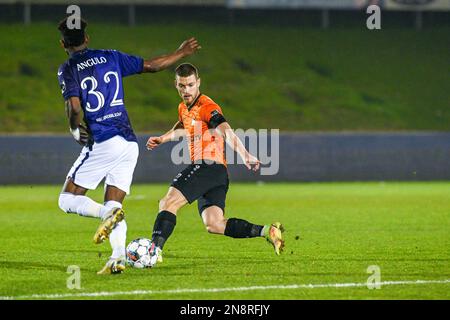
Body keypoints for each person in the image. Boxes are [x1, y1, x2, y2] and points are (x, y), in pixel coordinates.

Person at [56, 17, 201, 275]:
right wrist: (182, 52)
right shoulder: (110, 57)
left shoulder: (68, 68)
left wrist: (74, 128)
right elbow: (153, 66)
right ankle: (118, 257)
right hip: (128, 143)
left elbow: (75, 107)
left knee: (67, 199)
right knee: (115, 204)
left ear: (62, 44)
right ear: (87, 38)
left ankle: (104, 216)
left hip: (103, 141)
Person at [145, 63, 284, 267]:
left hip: (207, 165)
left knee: (167, 203)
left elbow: (225, 130)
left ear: (198, 83)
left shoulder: (207, 106)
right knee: (215, 224)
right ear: (176, 85)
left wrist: (245, 155)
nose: (186, 90)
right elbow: (182, 125)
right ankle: (267, 231)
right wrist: (163, 138)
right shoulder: (183, 107)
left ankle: (153, 251)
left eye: (191, 85)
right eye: (182, 86)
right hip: (218, 174)